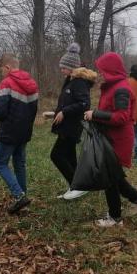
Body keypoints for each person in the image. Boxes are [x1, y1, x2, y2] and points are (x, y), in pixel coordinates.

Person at [84, 52, 137, 227]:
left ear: (111, 70)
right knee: (114, 176)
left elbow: (121, 117)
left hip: (118, 140)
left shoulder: (121, 88)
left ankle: (114, 217)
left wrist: (95, 114)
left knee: (109, 178)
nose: (100, 73)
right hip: (110, 139)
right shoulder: (113, 86)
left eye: (103, 70)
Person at [0, 53, 39, 214]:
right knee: (19, 163)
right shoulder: (32, 83)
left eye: (1, 70)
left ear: (7, 67)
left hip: (9, 131)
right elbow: (34, 110)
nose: (1, 73)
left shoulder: (6, 83)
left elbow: (0, 111)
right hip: (25, 130)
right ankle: (23, 197)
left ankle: (19, 195)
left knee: (0, 163)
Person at [50, 42, 97, 200]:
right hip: (66, 125)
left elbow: (84, 104)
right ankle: (77, 186)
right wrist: (55, 113)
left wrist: (64, 111)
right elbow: (68, 102)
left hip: (71, 127)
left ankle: (78, 186)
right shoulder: (70, 81)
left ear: (72, 68)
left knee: (56, 155)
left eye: (63, 67)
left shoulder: (79, 82)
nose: (61, 70)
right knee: (69, 157)